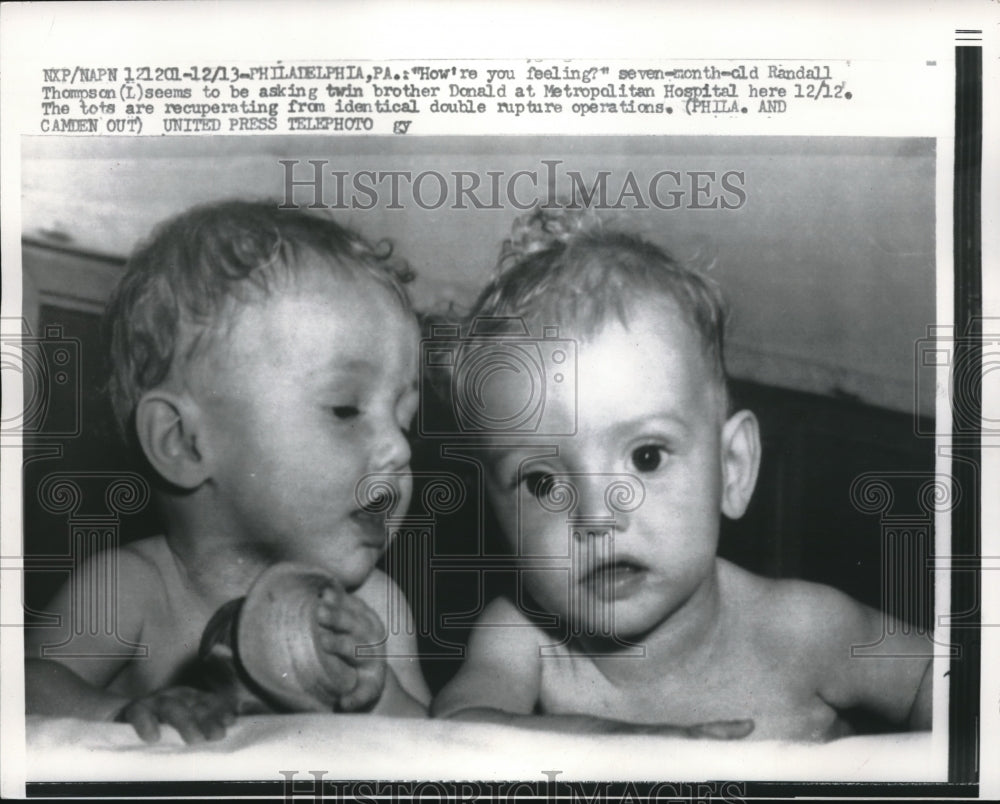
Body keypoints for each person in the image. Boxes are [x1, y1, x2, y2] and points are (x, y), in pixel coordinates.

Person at [431, 207, 932, 740]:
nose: (597, 517)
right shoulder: (524, 641)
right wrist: (620, 744)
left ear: (732, 469)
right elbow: (457, 731)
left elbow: (945, 677)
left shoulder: (804, 628)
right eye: (542, 482)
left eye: (646, 457)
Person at [25, 201, 430, 743]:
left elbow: (431, 745)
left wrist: (380, 695)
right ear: (184, 443)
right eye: (344, 409)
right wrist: (116, 713)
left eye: (405, 419)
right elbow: (20, 687)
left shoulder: (373, 609)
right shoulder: (134, 589)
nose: (398, 448)